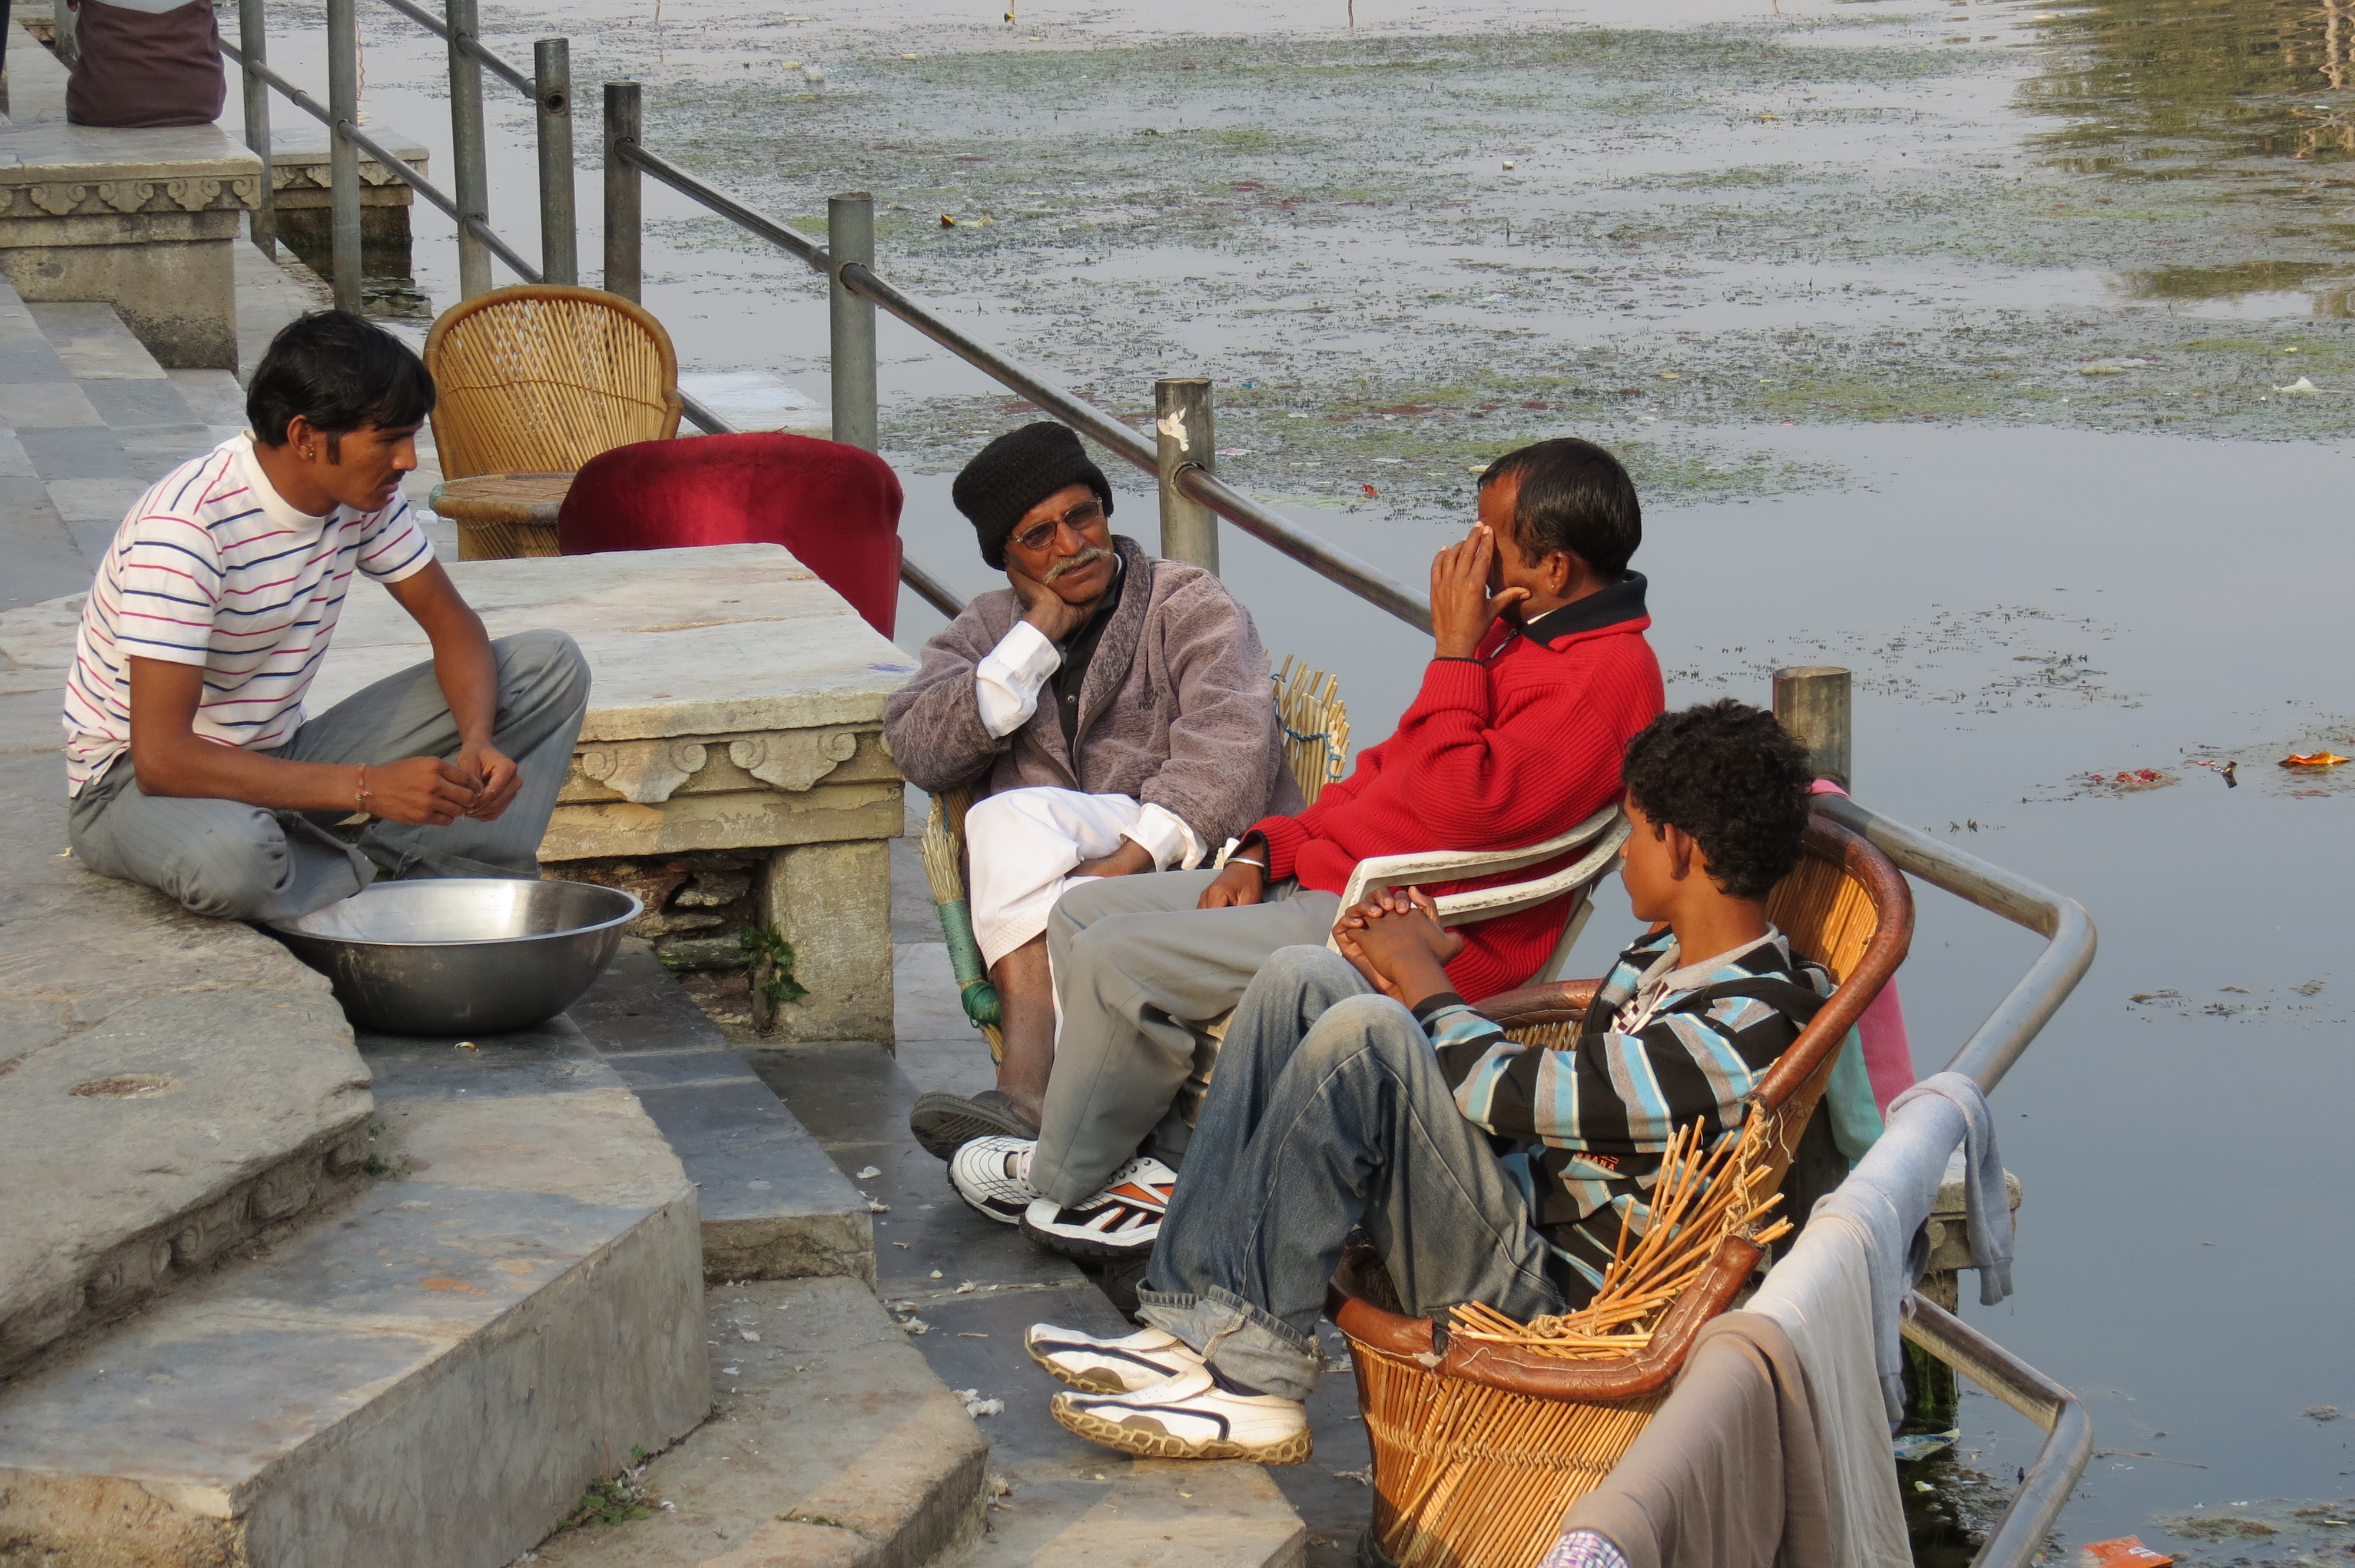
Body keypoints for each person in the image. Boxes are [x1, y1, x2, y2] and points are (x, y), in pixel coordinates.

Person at [1020, 700, 1833, 1463]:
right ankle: (1187, 1319)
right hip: (1509, 1213)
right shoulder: (1659, 962)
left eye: (1635, 833)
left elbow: (1509, 1097)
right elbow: (1533, 1108)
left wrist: (1419, 981)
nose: (1624, 852)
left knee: (1367, 1036)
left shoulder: (1744, 1028)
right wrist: (1417, 978)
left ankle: (1255, 1378)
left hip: (1548, 1296)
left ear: (1683, 847)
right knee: (1301, 976)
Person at [950, 437, 1665, 1261]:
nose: (1462, 556)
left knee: (1120, 958)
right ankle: (1141, 1164)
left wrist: (1455, 654)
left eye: (1486, 539)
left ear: (1554, 570)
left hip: (1399, 922)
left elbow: (1459, 806)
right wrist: (1267, 847)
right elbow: (1389, 776)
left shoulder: (1596, 678)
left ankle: (1065, 1185)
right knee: (1084, 910)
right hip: (1337, 876)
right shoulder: (1529, 636)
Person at [62, 310, 590, 922]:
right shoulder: (185, 532)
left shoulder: (360, 496)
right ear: (306, 436)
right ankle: (374, 878)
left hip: (281, 752)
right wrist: (368, 788)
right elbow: (162, 758)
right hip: (135, 785)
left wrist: (477, 739)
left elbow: (451, 623)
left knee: (547, 665)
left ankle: (451, 882)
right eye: (389, 439)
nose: (407, 463)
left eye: (410, 438)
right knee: (237, 862)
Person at [883, 421, 1295, 1155]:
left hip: (1197, 858)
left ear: (1106, 510)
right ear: (1005, 559)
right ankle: (1057, 1122)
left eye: (1083, 516)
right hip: (1055, 872)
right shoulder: (990, 628)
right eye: (1038, 536)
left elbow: (1230, 748)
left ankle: (1029, 1092)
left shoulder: (1187, 603)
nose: (1071, 545)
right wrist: (1033, 642)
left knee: (1015, 830)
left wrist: (1117, 876)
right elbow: (917, 747)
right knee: (1009, 825)